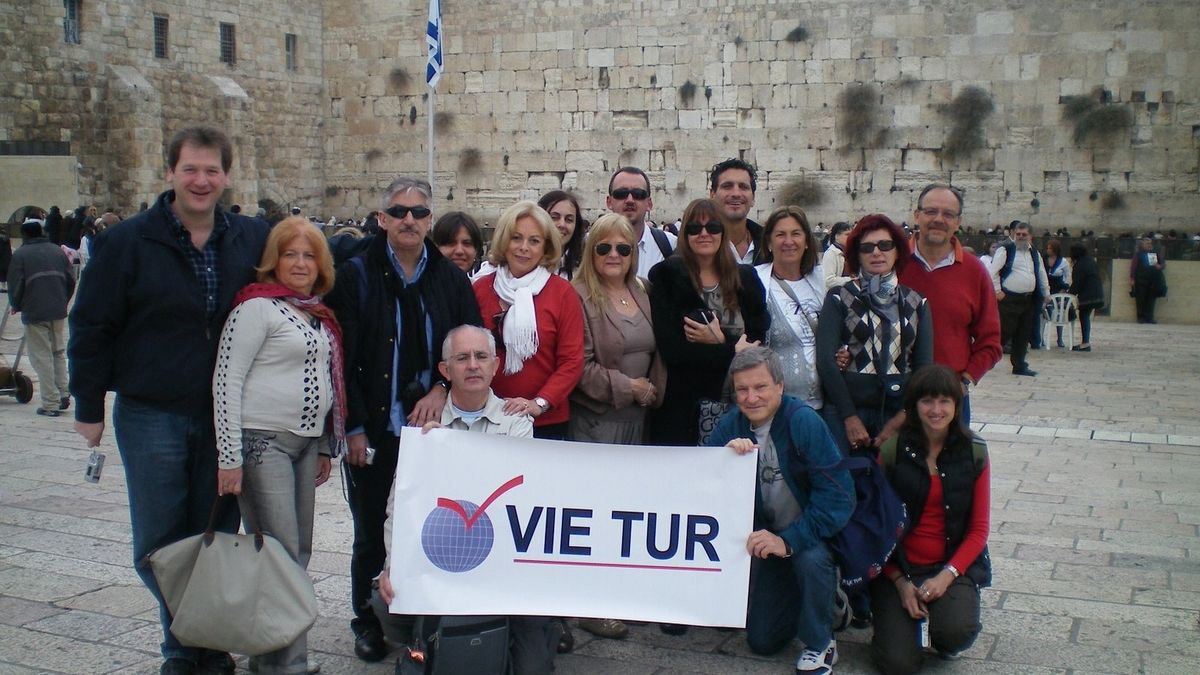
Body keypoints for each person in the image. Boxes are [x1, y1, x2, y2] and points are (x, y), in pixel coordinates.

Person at [68, 126, 269, 675]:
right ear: (170, 173)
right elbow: (91, 325)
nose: (201, 181)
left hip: (227, 417)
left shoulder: (250, 238)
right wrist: (88, 407)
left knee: (214, 535)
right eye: (190, 170)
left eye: (211, 170)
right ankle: (185, 644)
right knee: (159, 542)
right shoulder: (127, 242)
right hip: (152, 410)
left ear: (226, 175)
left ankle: (200, 649)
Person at [324, 176, 482, 663]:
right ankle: (367, 619)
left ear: (429, 219)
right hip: (375, 427)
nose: (409, 220)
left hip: (433, 433)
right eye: (399, 212)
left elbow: (467, 342)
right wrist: (350, 426)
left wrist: (439, 388)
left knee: (432, 527)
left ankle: (422, 619)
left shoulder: (450, 280)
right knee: (372, 530)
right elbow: (342, 355)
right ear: (382, 219)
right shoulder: (356, 274)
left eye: (418, 212)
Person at [371, 325, 557, 673]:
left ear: (495, 365)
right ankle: (423, 640)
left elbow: (516, 496)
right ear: (446, 370)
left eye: (481, 357)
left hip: (504, 566)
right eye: (462, 358)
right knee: (384, 598)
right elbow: (400, 505)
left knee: (532, 667)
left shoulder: (516, 422)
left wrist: (451, 459)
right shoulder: (427, 427)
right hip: (444, 557)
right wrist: (392, 565)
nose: (473, 365)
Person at [212, 216, 343, 674]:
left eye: (309, 255)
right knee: (281, 554)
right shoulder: (255, 309)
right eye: (291, 254)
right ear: (274, 260)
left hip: (304, 445)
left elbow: (326, 380)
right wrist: (229, 457)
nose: (301, 263)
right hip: (262, 443)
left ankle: (272, 658)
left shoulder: (313, 310)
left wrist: (325, 445)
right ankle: (287, 664)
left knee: (295, 551)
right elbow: (226, 382)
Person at [710, 347, 853, 675]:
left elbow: (839, 498)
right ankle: (813, 602)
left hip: (809, 536)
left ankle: (821, 642)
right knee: (762, 641)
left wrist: (789, 541)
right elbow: (703, 484)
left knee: (811, 558)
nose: (751, 398)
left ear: (780, 386)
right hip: (766, 542)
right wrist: (723, 459)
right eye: (742, 390)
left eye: (760, 387)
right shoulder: (732, 424)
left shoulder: (804, 422)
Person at [871, 365, 991, 673]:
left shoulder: (974, 451)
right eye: (927, 401)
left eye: (944, 401)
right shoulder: (892, 450)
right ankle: (893, 629)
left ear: (956, 405)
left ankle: (943, 627)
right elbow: (877, 526)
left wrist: (947, 575)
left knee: (956, 633)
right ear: (913, 406)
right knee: (898, 664)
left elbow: (978, 530)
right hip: (899, 567)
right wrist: (899, 581)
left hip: (950, 564)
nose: (936, 410)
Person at [648, 198, 768, 446]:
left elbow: (758, 342)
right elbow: (674, 350)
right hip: (684, 408)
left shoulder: (745, 279)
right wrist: (732, 349)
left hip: (742, 403)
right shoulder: (667, 277)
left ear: (722, 232)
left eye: (713, 227)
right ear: (685, 234)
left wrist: (718, 340)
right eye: (695, 228)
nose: (704, 234)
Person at [817, 214, 933, 456]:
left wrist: (903, 416)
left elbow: (923, 367)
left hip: (898, 409)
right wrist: (849, 417)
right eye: (867, 247)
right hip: (846, 409)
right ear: (857, 255)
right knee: (843, 484)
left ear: (897, 251)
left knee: (895, 487)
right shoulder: (840, 297)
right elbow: (826, 360)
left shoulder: (916, 301)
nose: (876, 253)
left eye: (885, 245)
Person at [473, 200, 585, 440]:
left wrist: (539, 403)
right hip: (486, 418)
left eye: (534, 241)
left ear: (545, 248)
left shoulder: (562, 293)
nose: (524, 247)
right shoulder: (481, 289)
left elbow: (572, 360)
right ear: (504, 241)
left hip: (545, 421)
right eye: (516, 238)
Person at [896, 184, 1001, 425]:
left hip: (948, 402)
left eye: (948, 214)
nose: (938, 220)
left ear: (958, 222)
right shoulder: (893, 263)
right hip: (894, 396)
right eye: (931, 212)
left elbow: (990, 342)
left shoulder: (975, 272)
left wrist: (964, 381)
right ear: (917, 215)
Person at [755, 205, 825, 409]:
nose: (788, 242)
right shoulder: (755, 281)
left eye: (796, 234)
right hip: (776, 405)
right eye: (780, 235)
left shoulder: (821, 282)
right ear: (769, 242)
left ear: (805, 241)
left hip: (823, 404)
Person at [7, 218, 75, 417]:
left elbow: (16, 284)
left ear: (25, 234)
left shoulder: (21, 255)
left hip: (35, 310)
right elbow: (71, 279)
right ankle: (63, 393)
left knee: (42, 356)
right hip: (57, 308)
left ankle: (50, 402)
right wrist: (63, 300)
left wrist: (16, 305)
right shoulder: (56, 250)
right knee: (58, 352)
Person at [988, 222, 1049, 376]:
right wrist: (997, 291)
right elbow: (993, 271)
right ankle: (986, 360)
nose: (1020, 237)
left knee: (1023, 333)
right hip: (1009, 299)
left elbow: (1040, 272)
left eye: (1024, 234)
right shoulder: (1006, 249)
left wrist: (1045, 292)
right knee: (1003, 332)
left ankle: (1019, 365)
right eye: (1018, 234)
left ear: (1030, 236)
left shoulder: (1034, 252)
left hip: (1028, 300)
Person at [606, 167, 675, 278]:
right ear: (609, 202)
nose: (629, 200)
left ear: (649, 203)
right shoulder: (589, 245)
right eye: (621, 193)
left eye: (638, 194)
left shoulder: (670, 244)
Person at [709, 158, 763, 264]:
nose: (736, 194)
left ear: (753, 198)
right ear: (712, 195)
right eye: (727, 186)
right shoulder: (695, 250)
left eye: (743, 187)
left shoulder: (771, 246)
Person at [539, 190, 585, 279]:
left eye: (569, 220)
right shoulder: (525, 264)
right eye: (554, 218)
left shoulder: (583, 270)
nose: (562, 224)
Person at [1068, 243, 1103, 352]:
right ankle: (1085, 342)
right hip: (1096, 294)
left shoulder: (1079, 265)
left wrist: (1068, 295)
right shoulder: (1090, 261)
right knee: (1085, 316)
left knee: (1084, 316)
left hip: (1088, 296)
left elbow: (1077, 284)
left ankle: (1086, 343)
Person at [1042, 238, 1072, 348]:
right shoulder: (1043, 260)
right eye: (1047, 248)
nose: (1048, 250)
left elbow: (1068, 277)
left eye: (1050, 248)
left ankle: (1060, 338)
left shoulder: (1063, 262)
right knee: (1043, 314)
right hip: (1046, 289)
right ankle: (1041, 338)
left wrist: (1063, 291)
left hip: (1059, 290)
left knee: (1059, 313)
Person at [1130, 236, 1166, 324]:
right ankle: (1141, 317)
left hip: (1153, 280)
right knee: (1140, 299)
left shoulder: (1155, 254)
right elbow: (1133, 267)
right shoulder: (1139, 254)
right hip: (1141, 280)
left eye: (1150, 243)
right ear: (1143, 245)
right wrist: (1132, 278)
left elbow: (1163, 265)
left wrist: (1159, 266)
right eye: (1147, 243)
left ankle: (1149, 317)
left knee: (1151, 300)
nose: (1149, 245)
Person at [821, 221, 853, 289]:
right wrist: (851, 279)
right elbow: (828, 280)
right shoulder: (831, 253)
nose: (850, 237)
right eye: (847, 234)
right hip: (835, 295)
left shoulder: (849, 252)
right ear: (837, 236)